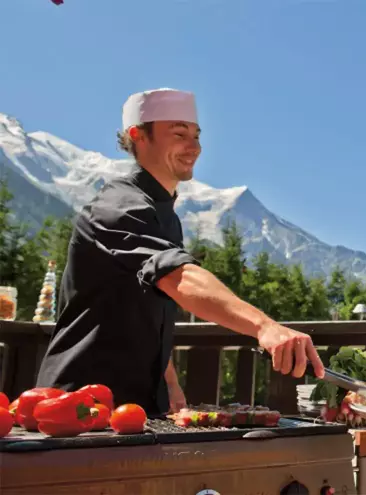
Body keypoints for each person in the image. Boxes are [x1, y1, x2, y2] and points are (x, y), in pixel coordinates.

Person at [36, 88, 325, 416]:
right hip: (76, 405)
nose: (194, 147)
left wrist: (169, 381)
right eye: (179, 134)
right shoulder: (118, 206)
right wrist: (264, 326)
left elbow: (146, 309)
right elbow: (179, 277)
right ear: (138, 136)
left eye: (196, 135)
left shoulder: (165, 216)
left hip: (135, 408)